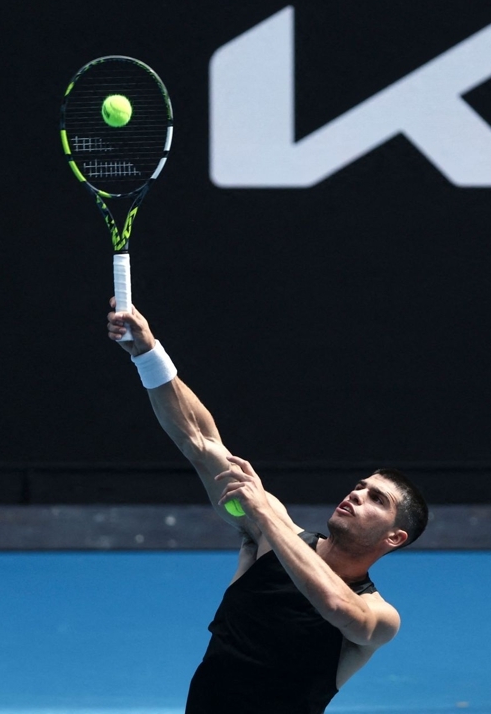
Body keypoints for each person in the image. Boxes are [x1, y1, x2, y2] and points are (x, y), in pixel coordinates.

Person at [106, 301, 428, 714]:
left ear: (394, 537)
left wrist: (264, 517)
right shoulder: (266, 529)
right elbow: (199, 441)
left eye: (376, 500)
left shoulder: (379, 616)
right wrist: (148, 353)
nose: (356, 495)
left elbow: (336, 607)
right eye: (360, 487)